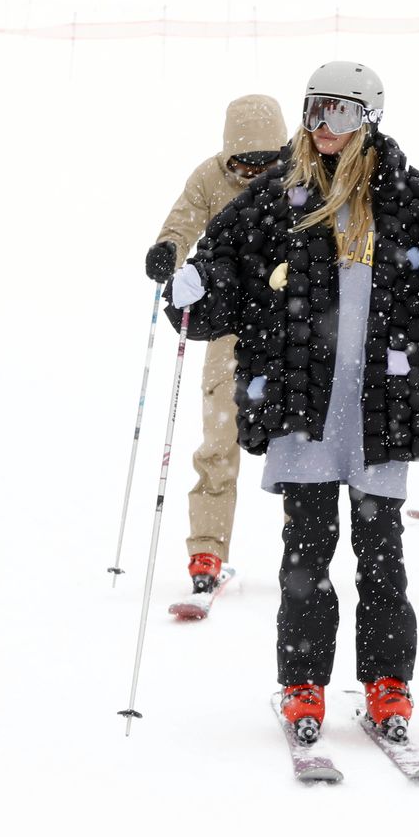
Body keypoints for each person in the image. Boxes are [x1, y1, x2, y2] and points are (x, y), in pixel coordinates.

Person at [163, 62, 419, 744]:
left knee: (382, 555)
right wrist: (193, 283)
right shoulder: (280, 192)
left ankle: (387, 681)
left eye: (341, 115)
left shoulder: (403, 191)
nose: (323, 128)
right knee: (307, 554)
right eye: (315, 111)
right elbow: (225, 257)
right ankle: (302, 682)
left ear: (369, 119)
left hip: (381, 404)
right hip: (305, 406)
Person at [145, 95, 288, 595]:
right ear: (229, 156)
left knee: (298, 444)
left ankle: (306, 553)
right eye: (245, 163)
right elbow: (183, 220)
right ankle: (207, 549)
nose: (255, 173)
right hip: (227, 328)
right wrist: (168, 248)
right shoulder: (210, 177)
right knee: (218, 443)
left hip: (289, 328)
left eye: (267, 162)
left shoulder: (302, 176)